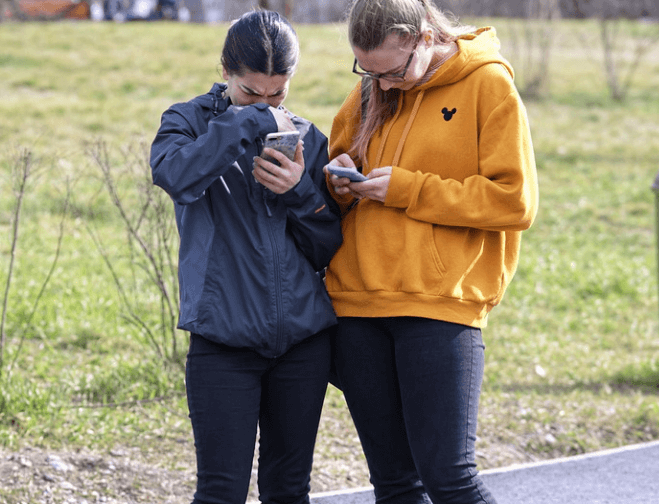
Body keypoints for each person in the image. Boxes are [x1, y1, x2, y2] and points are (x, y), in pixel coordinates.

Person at [323, 0, 539, 503]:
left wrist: (407, 188)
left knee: (450, 479)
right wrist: (338, 183)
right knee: (395, 486)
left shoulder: (488, 84)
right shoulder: (373, 88)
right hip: (357, 305)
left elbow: (515, 201)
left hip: (439, 305)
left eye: (393, 70)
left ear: (423, 37)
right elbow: (339, 163)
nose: (383, 83)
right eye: (367, 70)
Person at [149, 10, 342, 504]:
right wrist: (245, 121)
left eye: (277, 94)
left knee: (289, 490)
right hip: (223, 342)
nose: (267, 103)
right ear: (225, 70)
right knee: (220, 492)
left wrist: (301, 192)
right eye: (251, 91)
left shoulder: (308, 138)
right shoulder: (187, 122)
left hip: (303, 342)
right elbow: (175, 176)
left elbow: (328, 245)